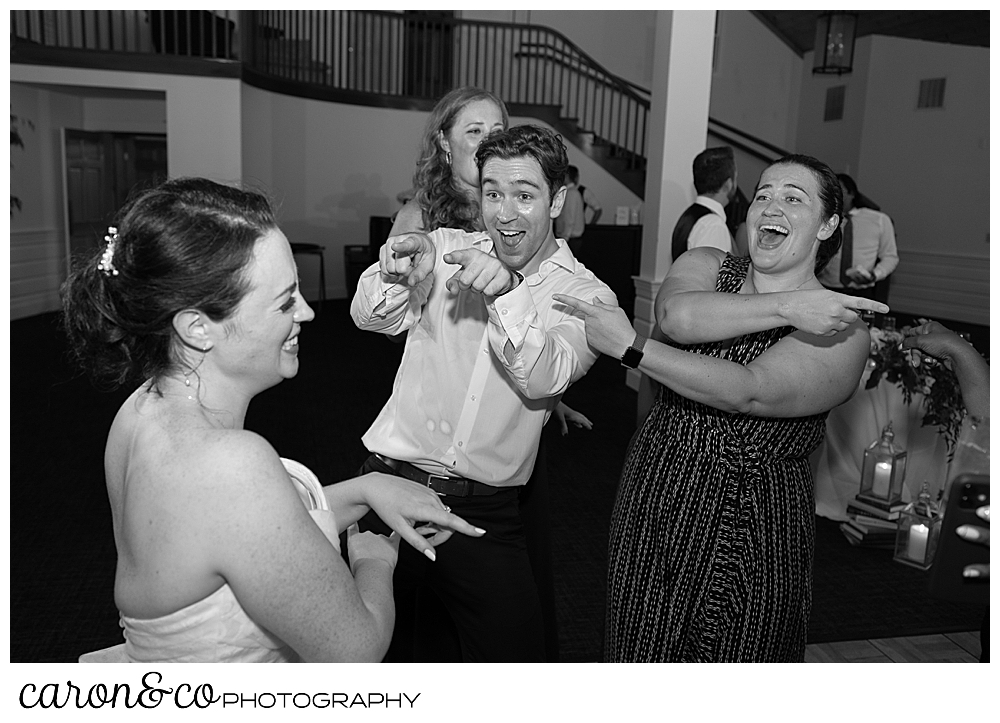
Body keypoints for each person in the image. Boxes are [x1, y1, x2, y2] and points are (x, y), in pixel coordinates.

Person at [63, 178, 482, 663]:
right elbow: (355, 650)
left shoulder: (141, 409)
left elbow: (240, 529)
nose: (305, 312)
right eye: (284, 301)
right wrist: (373, 563)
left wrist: (365, 490)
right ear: (198, 327)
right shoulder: (232, 464)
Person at [555, 154, 890, 662]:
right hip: (659, 495)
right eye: (762, 194)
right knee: (640, 652)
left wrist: (632, 347)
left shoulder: (844, 329)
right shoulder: (708, 265)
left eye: (793, 198)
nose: (771, 205)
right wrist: (785, 305)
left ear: (828, 225)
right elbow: (678, 316)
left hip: (757, 519)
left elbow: (749, 388)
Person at [351, 124, 616, 662]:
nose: (505, 213)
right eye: (493, 194)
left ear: (558, 199)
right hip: (388, 491)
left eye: (525, 195)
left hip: (484, 518)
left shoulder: (586, 295)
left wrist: (509, 295)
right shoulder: (448, 247)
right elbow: (368, 319)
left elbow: (545, 378)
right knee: (384, 664)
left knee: (514, 667)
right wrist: (396, 272)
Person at [817, 172, 898, 302]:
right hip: (826, 290)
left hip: (862, 293)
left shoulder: (879, 219)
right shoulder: (823, 220)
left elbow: (890, 257)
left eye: (839, 191)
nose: (834, 197)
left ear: (852, 193)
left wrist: (874, 275)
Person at [670, 146, 738, 261]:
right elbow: (712, 276)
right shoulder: (713, 225)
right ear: (728, 184)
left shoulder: (691, 215)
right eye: (736, 178)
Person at [554, 165, 586, 255]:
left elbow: (569, 218)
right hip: (569, 238)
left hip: (570, 239)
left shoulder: (571, 193)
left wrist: (565, 238)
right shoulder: (571, 192)